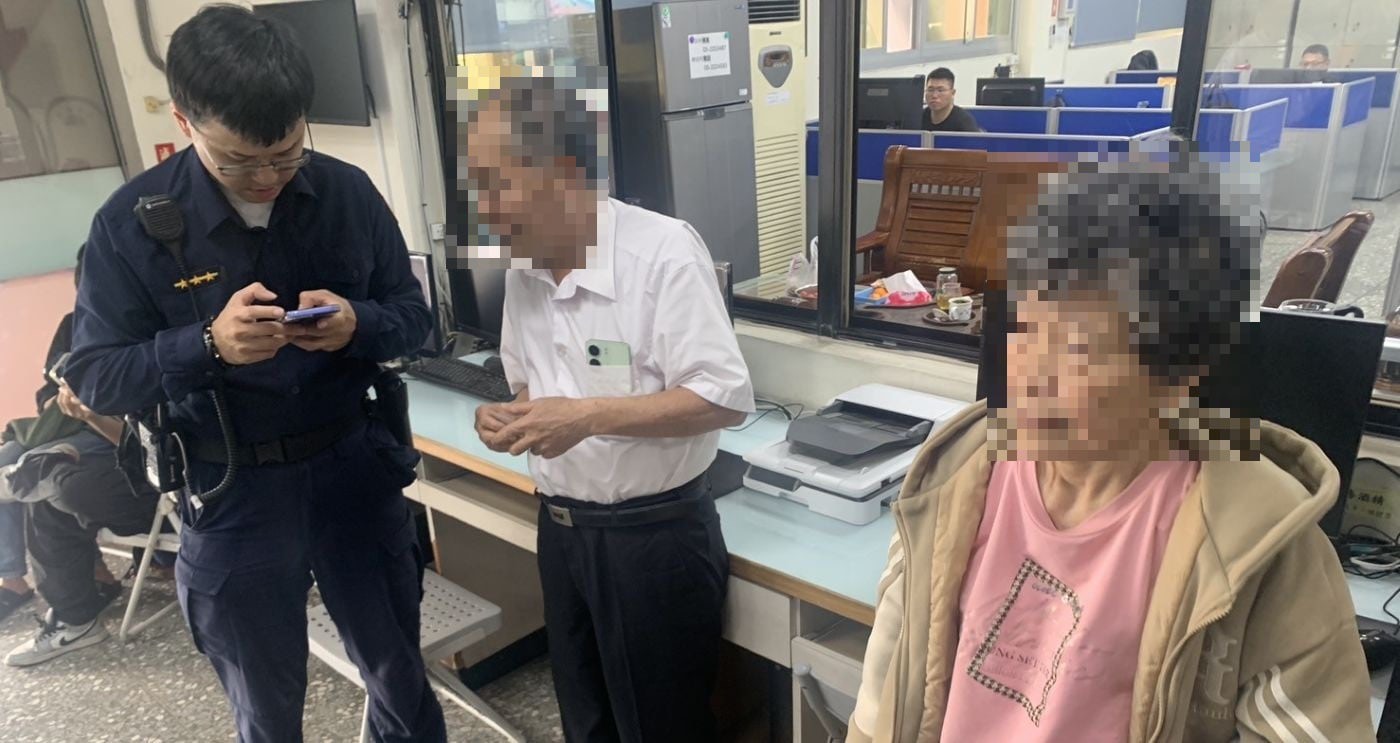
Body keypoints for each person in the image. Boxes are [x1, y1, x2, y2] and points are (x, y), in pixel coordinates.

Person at [846, 154, 1373, 742]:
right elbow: (886, 685)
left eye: (1078, 349)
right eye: (1026, 329)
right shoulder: (954, 476)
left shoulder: (1260, 544)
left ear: (1181, 375)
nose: (1031, 374)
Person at [64, 6, 444, 741]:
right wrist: (206, 344)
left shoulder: (346, 192)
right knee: (264, 704)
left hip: (352, 469)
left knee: (399, 672)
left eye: (288, 153)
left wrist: (358, 323)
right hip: (231, 485)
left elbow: (413, 318)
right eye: (239, 162)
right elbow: (97, 376)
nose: (267, 177)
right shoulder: (129, 224)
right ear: (184, 121)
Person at [466, 73, 755, 743]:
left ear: (566, 173)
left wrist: (587, 416)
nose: (485, 208)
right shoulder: (524, 269)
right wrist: (509, 417)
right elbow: (528, 386)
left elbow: (722, 396)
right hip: (562, 532)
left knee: (661, 729)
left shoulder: (660, 252)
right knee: (585, 718)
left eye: (498, 184)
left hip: (652, 540)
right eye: (476, 186)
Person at [2, 249, 154, 666]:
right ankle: (61, 604)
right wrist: (75, 406)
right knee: (41, 480)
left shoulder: (152, 331)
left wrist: (95, 412)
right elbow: (47, 395)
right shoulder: (75, 327)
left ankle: (35, 473)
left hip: (152, 459)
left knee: (54, 483)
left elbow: (151, 435)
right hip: (92, 438)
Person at [922, 68, 981, 133]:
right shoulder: (919, 118)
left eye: (940, 90)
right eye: (930, 90)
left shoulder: (964, 122)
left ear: (952, 93)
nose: (934, 95)